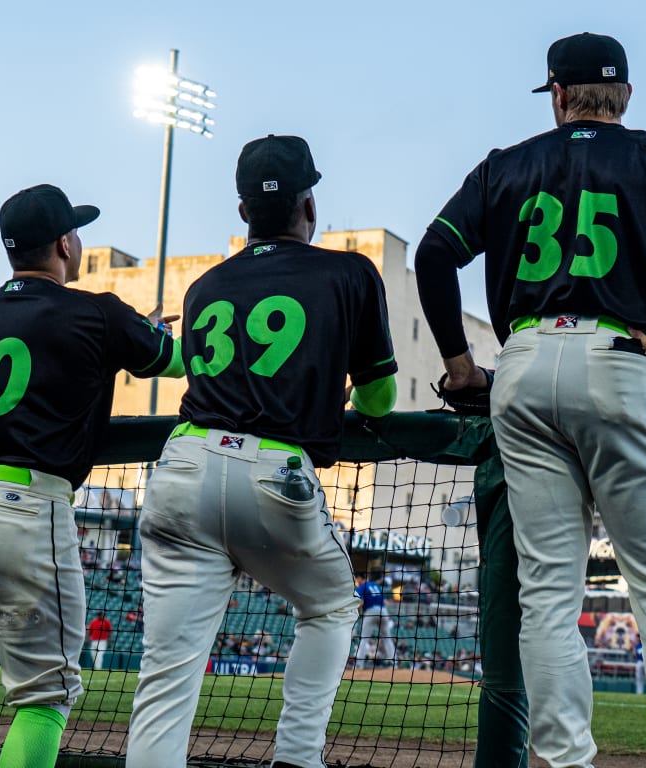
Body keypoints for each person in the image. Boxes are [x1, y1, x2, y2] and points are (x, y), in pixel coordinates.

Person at [414, 32, 646, 768]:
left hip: (524, 365)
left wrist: (460, 366)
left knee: (548, 595)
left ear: (557, 95)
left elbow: (433, 252)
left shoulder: (507, 164)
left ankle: (564, 762)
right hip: (617, 359)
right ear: (625, 95)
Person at [0, 184, 182, 768]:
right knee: (45, 698)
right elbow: (171, 359)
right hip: (24, 508)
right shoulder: (97, 310)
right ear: (66, 243)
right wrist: (143, 330)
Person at [127, 135, 398, 768]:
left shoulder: (204, 286)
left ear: (244, 212)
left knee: (167, 674)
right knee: (329, 606)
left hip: (185, 467)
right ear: (309, 204)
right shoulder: (351, 272)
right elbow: (381, 401)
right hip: (275, 473)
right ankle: (297, 760)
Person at [355, 574, 395, 668]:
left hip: (371, 611)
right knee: (387, 638)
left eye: (357, 579)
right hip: (383, 611)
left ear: (361, 578)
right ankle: (394, 663)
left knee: (364, 639)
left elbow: (361, 602)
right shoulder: (376, 586)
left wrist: (356, 614)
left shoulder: (362, 586)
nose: (357, 581)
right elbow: (385, 602)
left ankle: (359, 665)